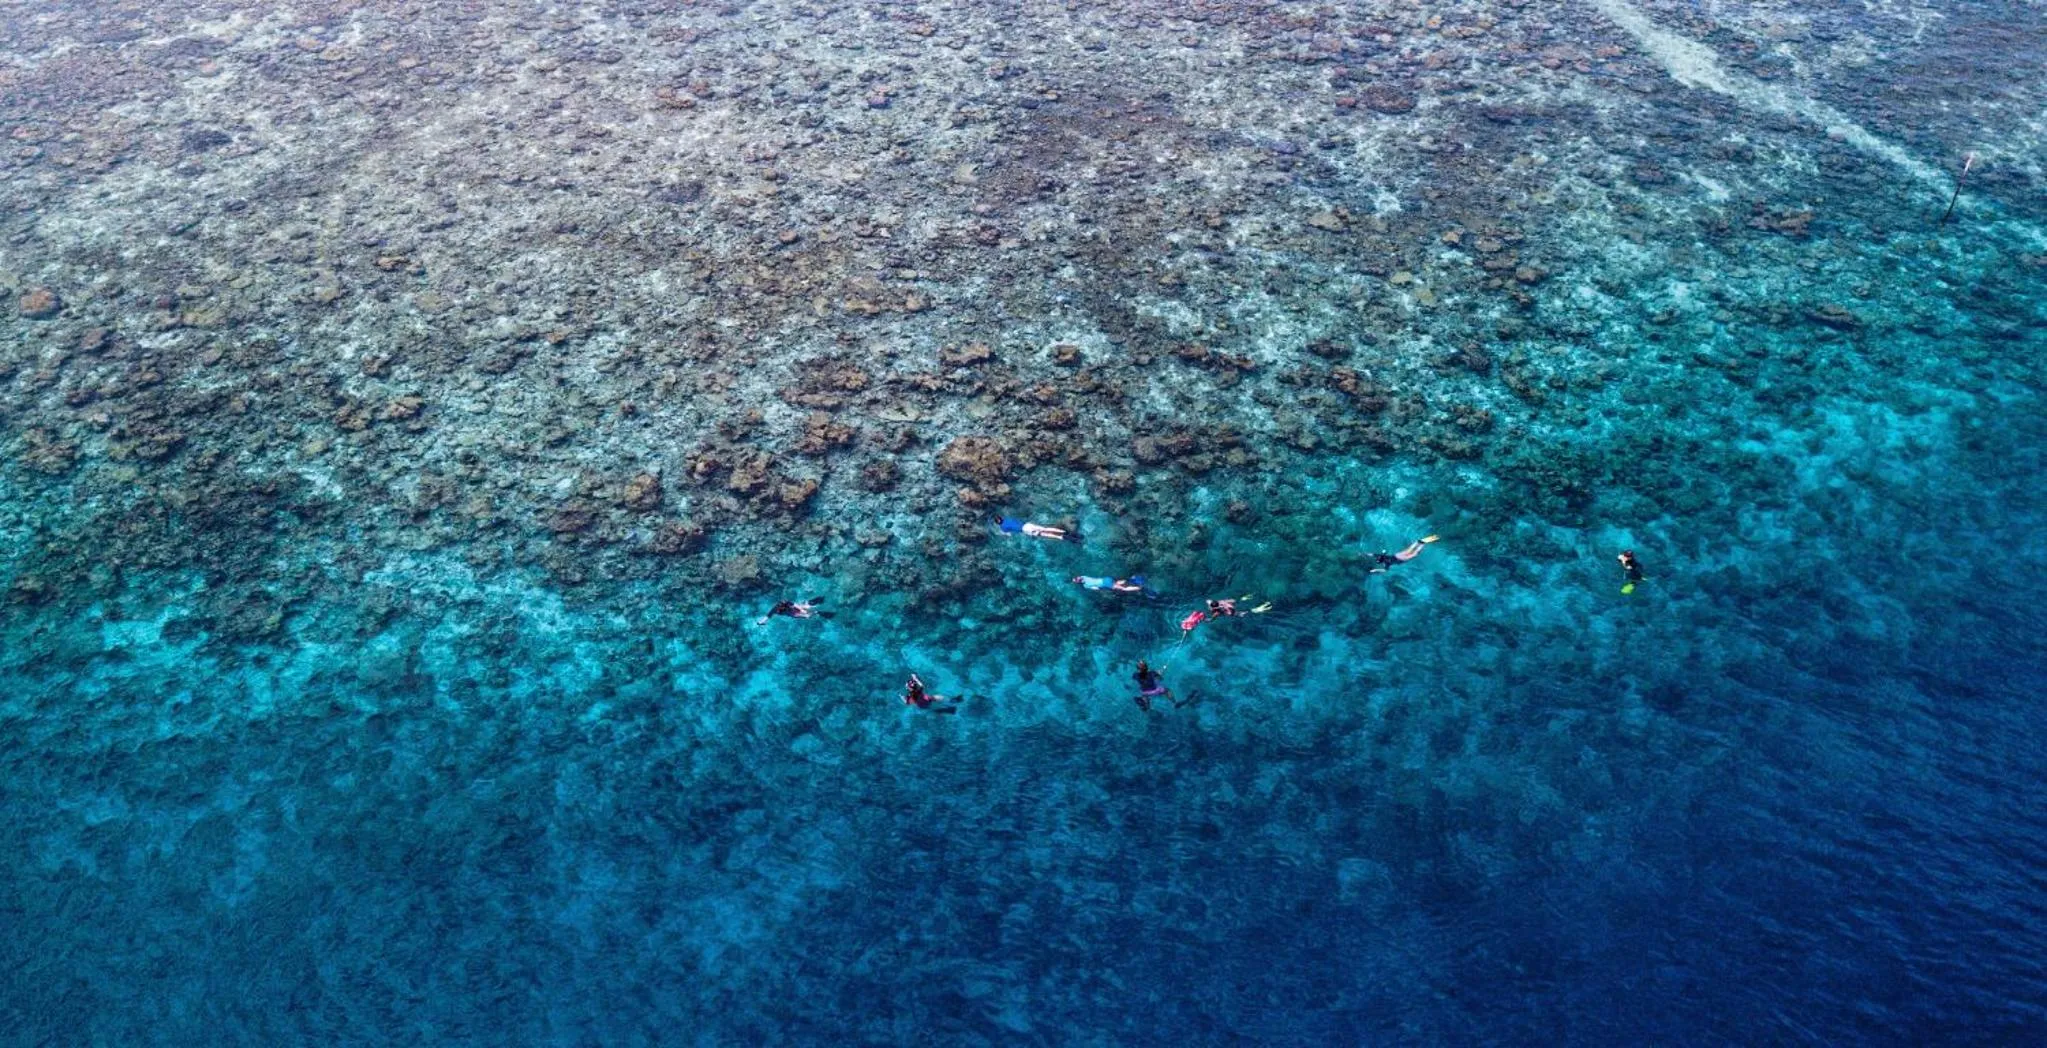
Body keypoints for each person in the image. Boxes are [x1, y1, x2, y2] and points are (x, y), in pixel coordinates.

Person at [1368, 534, 1439, 573]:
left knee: (1414, 554)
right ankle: (1418, 542)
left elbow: (1385, 570)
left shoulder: (1386, 564)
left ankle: (1422, 544)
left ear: (1381, 562)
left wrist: (1375, 570)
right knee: (1409, 549)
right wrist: (1364, 554)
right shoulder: (1382, 556)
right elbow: (1372, 554)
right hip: (1397, 555)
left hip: (1400, 559)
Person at [996, 515, 1081, 543]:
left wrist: (1003, 534)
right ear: (1002, 518)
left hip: (1026, 530)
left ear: (998, 523)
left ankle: (1071, 538)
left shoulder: (1002, 527)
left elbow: (1009, 534)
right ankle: (1074, 534)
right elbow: (1017, 521)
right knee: (1048, 529)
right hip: (1028, 525)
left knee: (1049, 535)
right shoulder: (1008, 519)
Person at [755, 596, 827, 626]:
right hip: (793, 613)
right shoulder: (775, 609)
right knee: (807, 615)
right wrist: (761, 622)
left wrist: (801, 609)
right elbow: (767, 617)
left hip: (793, 610)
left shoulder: (786, 603)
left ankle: (813, 604)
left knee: (806, 608)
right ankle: (816, 611)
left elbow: (795, 605)